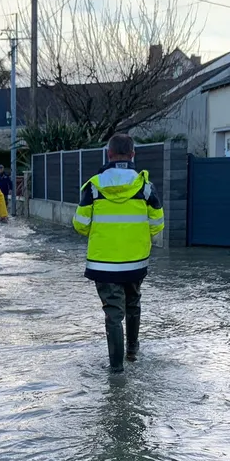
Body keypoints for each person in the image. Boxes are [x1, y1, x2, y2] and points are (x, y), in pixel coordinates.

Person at [72, 133, 164, 372]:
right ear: (133, 155)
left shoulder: (94, 186)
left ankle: (116, 369)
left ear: (109, 154)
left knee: (113, 314)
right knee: (133, 303)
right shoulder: (145, 187)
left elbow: (80, 224)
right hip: (135, 262)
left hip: (103, 263)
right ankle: (133, 351)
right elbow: (158, 223)